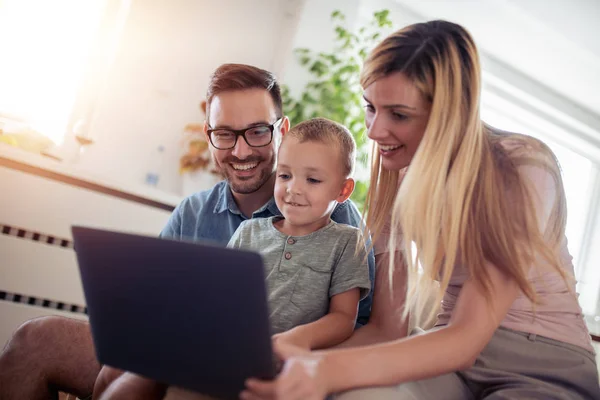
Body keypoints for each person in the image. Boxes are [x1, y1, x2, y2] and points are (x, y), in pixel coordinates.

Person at [240, 20, 600, 400]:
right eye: (370, 108)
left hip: (540, 364)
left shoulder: (523, 167)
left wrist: (326, 368)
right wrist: (296, 365)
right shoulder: (396, 175)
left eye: (399, 114)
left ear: (450, 112)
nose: (375, 131)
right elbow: (387, 329)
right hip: (449, 362)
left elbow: (466, 338)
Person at [0, 64, 375, 400]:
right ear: (209, 134)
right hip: (182, 352)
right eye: (225, 134)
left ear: (282, 130)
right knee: (37, 339)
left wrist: (287, 364)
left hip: (266, 373)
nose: (241, 151)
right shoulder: (193, 212)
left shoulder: (340, 220)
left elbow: (358, 324)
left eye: (258, 132)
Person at [95, 118, 373, 399]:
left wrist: (298, 338)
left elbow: (343, 318)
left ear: (343, 190)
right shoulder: (249, 230)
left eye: (312, 180)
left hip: (283, 367)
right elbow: (219, 299)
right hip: (223, 354)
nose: (293, 189)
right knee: (121, 376)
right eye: (285, 175)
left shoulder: (347, 242)